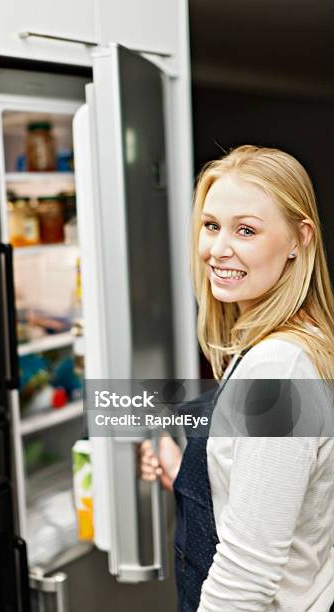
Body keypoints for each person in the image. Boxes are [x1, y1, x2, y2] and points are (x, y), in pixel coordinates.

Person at [139, 145, 334, 611]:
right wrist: (188, 470)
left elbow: (246, 575)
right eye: (211, 226)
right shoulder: (279, 343)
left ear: (298, 239)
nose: (217, 249)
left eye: (245, 230)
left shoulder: (277, 368)